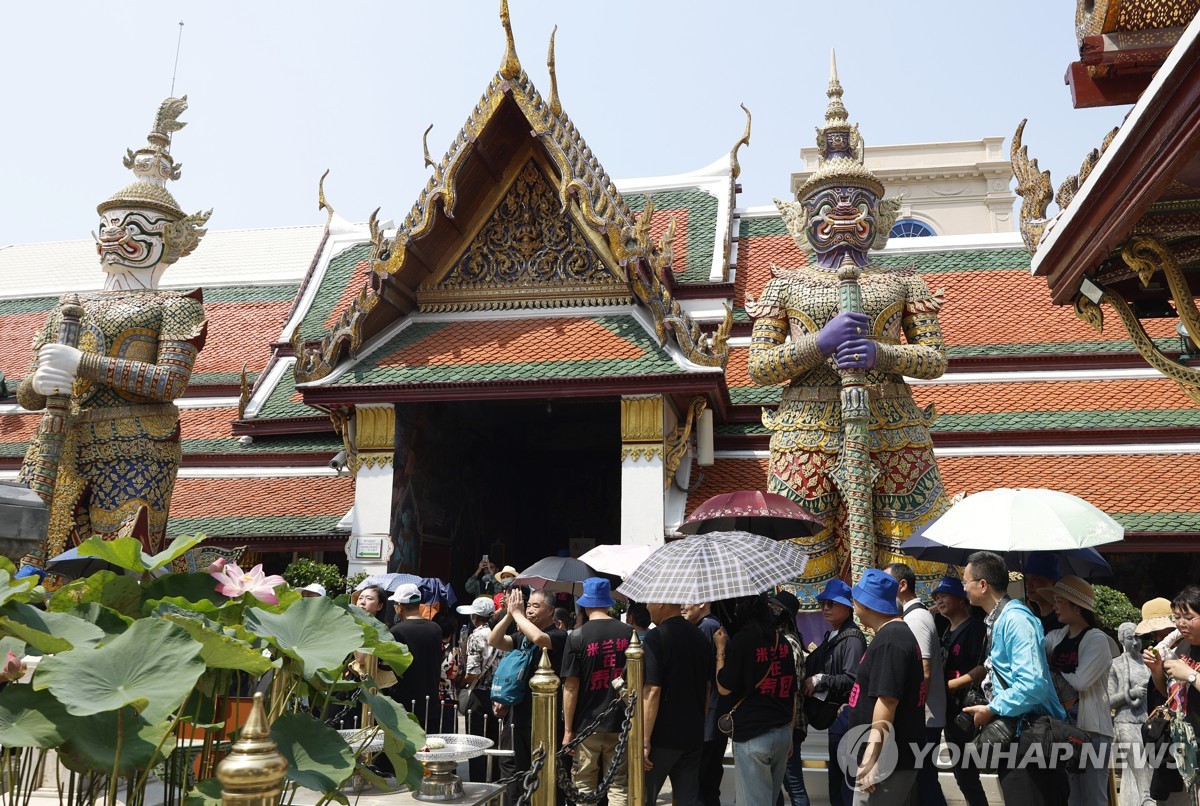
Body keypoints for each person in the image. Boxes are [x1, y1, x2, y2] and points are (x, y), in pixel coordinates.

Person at [746, 68, 949, 591]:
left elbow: (934, 359)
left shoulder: (902, 281)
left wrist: (879, 352)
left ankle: (902, 638)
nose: (842, 211)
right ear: (804, 217)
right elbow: (758, 368)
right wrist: (821, 341)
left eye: (856, 203)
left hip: (891, 426)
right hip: (805, 431)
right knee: (803, 556)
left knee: (909, 549)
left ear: (877, 217)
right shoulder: (784, 284)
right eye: (828, 203)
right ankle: (815, 651)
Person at [16, 97, 210, 565]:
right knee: (34, 555)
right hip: (60, 442)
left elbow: (169, 383)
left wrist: (82, 363)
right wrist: (39, 384)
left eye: (137, 227)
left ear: (173, 241)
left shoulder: (176, 306)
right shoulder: (72, 305)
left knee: (118, 559)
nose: (116, 236)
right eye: (109, 225)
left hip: (138, 446)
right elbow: (26, 393)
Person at [960, 550, 1068, 805]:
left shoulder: (1016, 619)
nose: (963, 587)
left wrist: (992, 707)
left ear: (983, 585)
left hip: (1033, 737)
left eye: (966, 581)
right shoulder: (999, 619)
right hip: (1020, 735)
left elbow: (1033, 685)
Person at [1033, 575, 1116, 805]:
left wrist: (1051, 675)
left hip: (1092, 731)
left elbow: (1080, 682)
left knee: (1093, 798)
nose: (1055, 606)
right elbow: (1035, 652)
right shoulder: (1056, 636)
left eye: (1060, 601)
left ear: (1077, 606)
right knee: (1072, 799)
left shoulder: (1097, 640)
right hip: (1064, 730)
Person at [843, 569, 923, 805]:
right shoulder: (893, 635)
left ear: (866, 603)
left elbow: (887, 700)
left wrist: (870, 756)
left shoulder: (891, 639)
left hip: (888, 761)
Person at [714, 594, 797, 806]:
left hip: (753, 735)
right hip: (782, 733)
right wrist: (790, 732)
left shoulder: (743, 640)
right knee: (769, 799)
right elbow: (792, 691)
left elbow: (723, 688)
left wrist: (721, 651)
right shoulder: (783, 641)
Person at [488, 587, 567, 806]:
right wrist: (508, 615)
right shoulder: (521, 636)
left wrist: (518, 614)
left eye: (536, 606)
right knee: (513, 770)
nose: (530, 610)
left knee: (543, 770)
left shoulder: (558, 634)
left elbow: (540, 638)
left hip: (544, 718)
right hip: (517, 715)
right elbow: (494, 640)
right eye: (528, 605)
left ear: (550, 610)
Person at [561, 578, 633, 806]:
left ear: (585, 604)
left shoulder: (576, 637)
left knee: (583, 785)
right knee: (619, 786)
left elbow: (571, 686)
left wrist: (568, 731)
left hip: (586, 725)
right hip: (621, 723)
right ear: (608, 603)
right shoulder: (629, 633)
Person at [883, 562, 947, 806]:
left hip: (924, 719)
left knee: (925, 781)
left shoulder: (917, 618)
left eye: (887, 584)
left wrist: (914, 713)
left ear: (902, 585)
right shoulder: (910, 617)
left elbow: (925, 671)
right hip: (921, 717)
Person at [642, 600, 712, 806]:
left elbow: (653, 689)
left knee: (645, 797)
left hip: (661, 737)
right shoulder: (699, 635)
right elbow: (708, 687)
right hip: (693, 733)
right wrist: (701, 721)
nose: (647, 608)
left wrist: (645, 740)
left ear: (662, 603)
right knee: (687, 799)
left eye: (649, 602)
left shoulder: (657, 636)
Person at [803, 578, 865, 806]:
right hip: (833, 720)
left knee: (845, 783)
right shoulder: (834, 635)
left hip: (845, 718)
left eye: (831, 603)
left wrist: (821, 680)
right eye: (823, 603)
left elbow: (853, 678)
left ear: (847, 608)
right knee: (836, 782)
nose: (825, 608)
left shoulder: (853, 640)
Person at [1143, 585, 1200, 805]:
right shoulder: (1181, 647)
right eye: (1177, 617)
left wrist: (1191, 675)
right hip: (1180, 746)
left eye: (1189, 617)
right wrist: (1157, 669)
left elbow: (1188, 677)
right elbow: (1167, 692)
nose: (1181, 623)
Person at [934, 576, 987, 806]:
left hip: (966, 708)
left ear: (961, 598)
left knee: (967, 770)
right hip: (950, 708)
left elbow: (983, 668)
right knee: (961, 773)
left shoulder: (974, 628)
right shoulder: (945, 629)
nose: (939, 600)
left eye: (944, 595)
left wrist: (951, 685)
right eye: (937, 597)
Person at [682, 601, 727, 806]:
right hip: (713, 717)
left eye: (687, 600)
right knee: (708, 786)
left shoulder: (706, 628)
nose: (682, 606)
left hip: (708, 717)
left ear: (702, 603)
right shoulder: (710, 626)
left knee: (701, 786)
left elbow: (705, 682)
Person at [388, 583, 445, 731]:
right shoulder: (436, 629)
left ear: (399, 606)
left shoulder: (396, 631)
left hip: (404, 701)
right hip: (429, 701)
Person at [771, 591, 811, 806]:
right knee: (774, 783)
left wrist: (788, 732)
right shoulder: (776, 640)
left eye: (775, 608)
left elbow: (792, 692)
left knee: (793, 784)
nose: (771, 611)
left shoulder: (789, 643)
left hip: (790, 726)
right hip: (781, 725)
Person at [1108, 622, 1152, 806]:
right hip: (1125, 720)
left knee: (1149, 761)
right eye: (1130, 638)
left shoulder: (1149, 664)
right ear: (1121, 640)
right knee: (1136, 751)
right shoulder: (1115, 665)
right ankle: (1146, 795)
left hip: (1148, 720)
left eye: (1138, 637)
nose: (1135, 642)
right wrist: (1131, 694)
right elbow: (1108, 701)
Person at [456, 596, 500, 783]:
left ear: (475, 616)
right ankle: (495, 781)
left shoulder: (476, 636)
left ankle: (477, 782)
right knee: (494, 741)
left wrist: (461, 682)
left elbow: (472, 672)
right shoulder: (498, 633)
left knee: (476, 742)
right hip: (497, 692)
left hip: (479, 694)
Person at [1023, 552, 1063, 636]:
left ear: (1053, 583)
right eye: (1026, 579)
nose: (1028, 585)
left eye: (1035, 579)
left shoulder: (1061, 619)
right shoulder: (1032, 613)